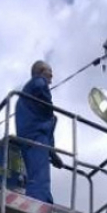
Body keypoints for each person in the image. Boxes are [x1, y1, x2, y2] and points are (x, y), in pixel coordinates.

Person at [15, 60, 63, 204]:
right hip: (36, 136)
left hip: (31, 135)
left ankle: (42, 198)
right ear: (41, 71)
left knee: (36, 171)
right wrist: (50, 109)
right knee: (39, 175)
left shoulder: (25, 99)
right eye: (49, 71)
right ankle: (40, 201)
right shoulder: (38, 83)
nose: (52, 76)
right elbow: (46, 108)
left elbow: (47, 122)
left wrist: (52, 153)